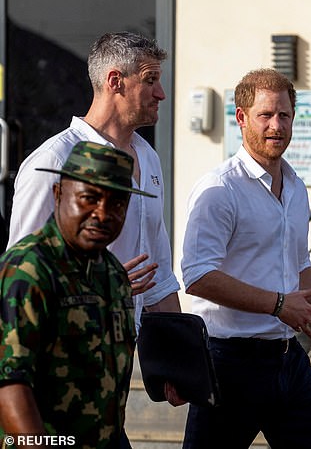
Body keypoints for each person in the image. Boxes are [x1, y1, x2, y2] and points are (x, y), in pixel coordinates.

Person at [180, 68, 311, 448]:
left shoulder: (296, 186)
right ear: (241, 118)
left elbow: (297, 264)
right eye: (265, 115)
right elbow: (198, 275)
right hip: (229, 364)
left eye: (284, 115)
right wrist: (278, 305)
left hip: (288, 360)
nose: (276, 125)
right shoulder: (220, 188)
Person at [7, 31, 181, 331]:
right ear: (115, 81)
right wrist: (100, 286)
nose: (161, 93)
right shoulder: (54, 160)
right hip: (66, 353)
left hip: (122, 352)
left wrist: (179, 358)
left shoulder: (148, 156)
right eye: (150, 80)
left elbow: (159, 276)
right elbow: (19, 277)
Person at [0, 141, 154, 448]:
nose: (102, 213)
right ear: (58, 195)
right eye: (89, 199)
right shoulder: (29, 269)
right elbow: (10, 383)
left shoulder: (110, 272)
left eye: (117, 204)